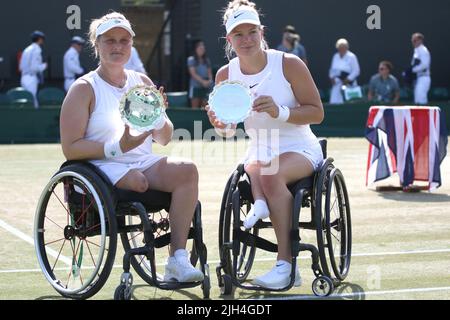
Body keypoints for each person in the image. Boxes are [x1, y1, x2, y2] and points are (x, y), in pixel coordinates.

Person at [59, 12, 204, 283]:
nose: (117, 46)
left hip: (141, 162)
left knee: (187, 170)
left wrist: (159, 115)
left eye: (124, 41)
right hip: (100, 166)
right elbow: (71, 148)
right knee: (137, 181)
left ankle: (178, 258)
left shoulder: (143, 83)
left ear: (131, 45)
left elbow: (164, 138)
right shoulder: (83, 88)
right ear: (97, 45)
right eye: (110, 40)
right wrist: (117, 147)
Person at [206, 0, 324, 289]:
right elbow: (229, 129)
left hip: (300, 148)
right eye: (238, 34)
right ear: (228, 39)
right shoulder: (225, 75)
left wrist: (279, 111)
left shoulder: (289, 63)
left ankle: (286, 264)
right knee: (258, 166)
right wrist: (219, 124)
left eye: (251, 32)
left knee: (269, 172)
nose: (245, 40)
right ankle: (261, 201)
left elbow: (317, 113)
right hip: (259, 152)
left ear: (261, 32)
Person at [19, 30, 47, 108]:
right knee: (32, 101)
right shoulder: (36, 49)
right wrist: (44, 66)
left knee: (25, 101)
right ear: (39, 39)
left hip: (24, 77)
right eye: (42, 39)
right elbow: (34, 67)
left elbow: (21, 67)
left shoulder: (27, 49)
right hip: (31, 78)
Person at [328, 38, 360, 104]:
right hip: (337, 84)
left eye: (343, 47)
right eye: (340, 47)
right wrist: (332, 78)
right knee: (334, 102)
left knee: (349, 103)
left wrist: (347, 79)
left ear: (346, 47)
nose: (341, 49)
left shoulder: (352, 56)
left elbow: (356, 71)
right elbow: (332, 70)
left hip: (349, 84)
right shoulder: (335, 56)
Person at [187, 40, 213, 109]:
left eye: (203, 48)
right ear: (196, 49)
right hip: (195, 87)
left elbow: (209, 73)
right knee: (195, 109)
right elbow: (193, 74)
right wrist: (203, 82)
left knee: (205, 107)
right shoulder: (191, 59)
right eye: (200, 48)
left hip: (206, 87)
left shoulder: (207, 60)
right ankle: (196, 121)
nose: (202, 49)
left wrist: (209, 81)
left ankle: (202, 120)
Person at [410, 33, 431, 104]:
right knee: (417, 101)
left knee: (421, 100)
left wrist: (412, 70)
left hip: (424, 77)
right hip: (418, 78)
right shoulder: (417, 50)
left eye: (415, 40)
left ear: (420, 40)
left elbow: (425, 65)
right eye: (412, 41)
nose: (413, 42)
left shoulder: (423, 50)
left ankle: (424, 115)